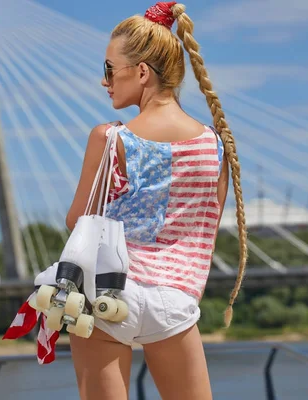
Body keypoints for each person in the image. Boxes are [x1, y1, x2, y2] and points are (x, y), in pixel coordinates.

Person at [64, 2, 248, 399]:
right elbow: (205, 230)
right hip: (174, 300)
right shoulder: (215, 146)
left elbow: (78, 221)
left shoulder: (111, 139)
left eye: (109, 69)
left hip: (108, 295)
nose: (104, 81)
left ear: (142, 72)